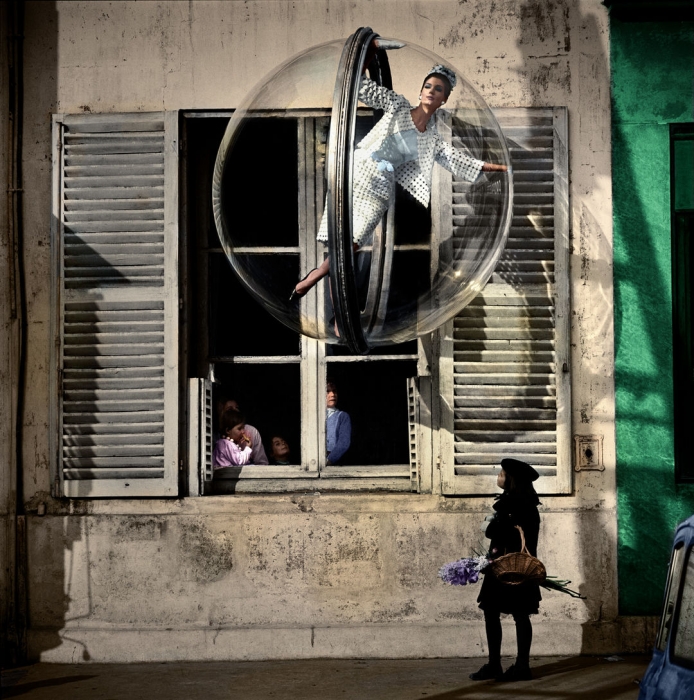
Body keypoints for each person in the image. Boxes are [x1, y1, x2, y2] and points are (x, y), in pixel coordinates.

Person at [291, 40, 508, 300]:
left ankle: (314, 276)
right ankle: (335, 307)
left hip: (380, 184)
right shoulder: (397, 105)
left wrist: (503, 167)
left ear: (443, 99)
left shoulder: (433, 139)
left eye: (438, 90)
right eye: (427, 86)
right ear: (420, 92)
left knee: (354, 244)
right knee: (340, 243)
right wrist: (370, 49)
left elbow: (460, 161)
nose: (431, 92)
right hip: (357, 170)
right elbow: (361, 86)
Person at [470, 458, 542, 683]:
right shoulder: (525, 504)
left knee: (502, 613)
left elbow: (497, 533)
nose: (499, 477)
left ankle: (506, 666)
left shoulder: (515, 505)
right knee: (511, 614)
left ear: (512, 479)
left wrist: (491, 525)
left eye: (502, 473)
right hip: (513, 567)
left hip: (508, 568)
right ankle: (512, 665)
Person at [214, 394, 269, 465]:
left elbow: (262, 464)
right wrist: (248, 448)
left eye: (237, 408)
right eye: (230, 410)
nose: (235, 411)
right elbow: (239, 460)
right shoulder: (223, 442)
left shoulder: (251, 431)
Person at [326, 379, 351, 465]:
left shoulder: (342, 416)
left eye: (334, 391)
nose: (332, 394)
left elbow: (344, 443)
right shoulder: (313, 416)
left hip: (333, 462)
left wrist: (329, 460)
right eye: (327, 391)